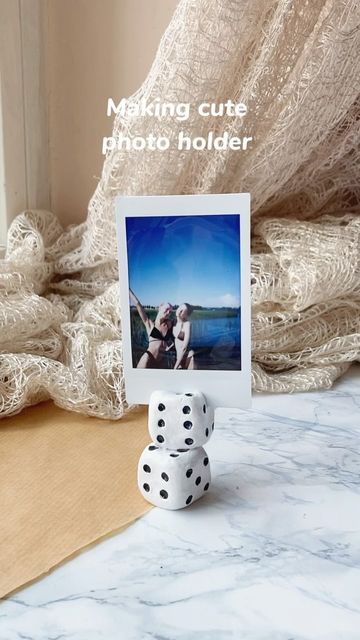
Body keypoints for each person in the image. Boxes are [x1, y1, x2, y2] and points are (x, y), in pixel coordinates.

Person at [129, 288, 173, 368]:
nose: (168, 313)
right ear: (160, 307)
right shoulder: (149, 324)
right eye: (166, 309)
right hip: (148, 358)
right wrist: (127, 290)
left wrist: (169, 346)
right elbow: (138, 304)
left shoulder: (169, 324)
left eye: (170, 312)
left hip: (161, 362)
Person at [173, 303, 195, 369]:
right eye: (180, 308)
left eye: (183, 311)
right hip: (179, 358)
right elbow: (176, 340)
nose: (179, 311)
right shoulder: (174, 322)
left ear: (186, 315)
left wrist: (175, 367)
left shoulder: (187, 324)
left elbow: (184, 347)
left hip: (188, 357)